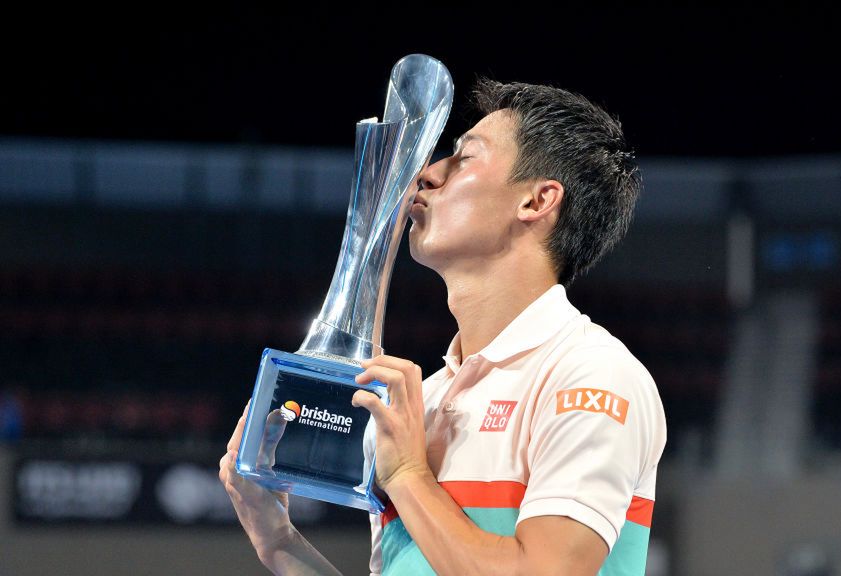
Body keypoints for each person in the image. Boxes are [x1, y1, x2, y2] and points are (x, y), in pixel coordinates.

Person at [219, 79, 667, 575]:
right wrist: (277, 540)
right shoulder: (423, 403)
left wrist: (410, 476)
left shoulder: (590, 375)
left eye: (463, 159)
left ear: (537, 201)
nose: (427, 174)